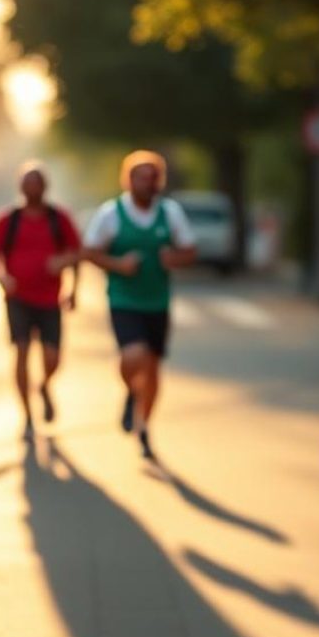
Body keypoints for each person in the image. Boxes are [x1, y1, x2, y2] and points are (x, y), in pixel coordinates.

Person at [83, 151, 198, 460]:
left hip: (157, 301)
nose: (149, 183)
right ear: (129, 180)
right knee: (134, 355)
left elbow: (189, 250)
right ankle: (131, 392)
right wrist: (118, 265)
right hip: (123, 298)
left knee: (153, 367)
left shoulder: (170, 212)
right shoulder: (111, 213)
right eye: (142, 177)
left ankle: (144, 424)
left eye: (153, 177)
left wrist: (173, 258)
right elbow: (91, 252)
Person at [0, 163, 81, 437]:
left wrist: (71, 282)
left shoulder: (58, 218)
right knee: (22, 351)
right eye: (27, 184)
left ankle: (44, 386)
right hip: (18, 298)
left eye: (36, 184)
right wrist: (2, 279)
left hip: (51, 299)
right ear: (20, 188)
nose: (32, 189)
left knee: (52, 357)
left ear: (44, 187)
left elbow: (77, 252)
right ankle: (27, 414)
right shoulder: (9, 219)